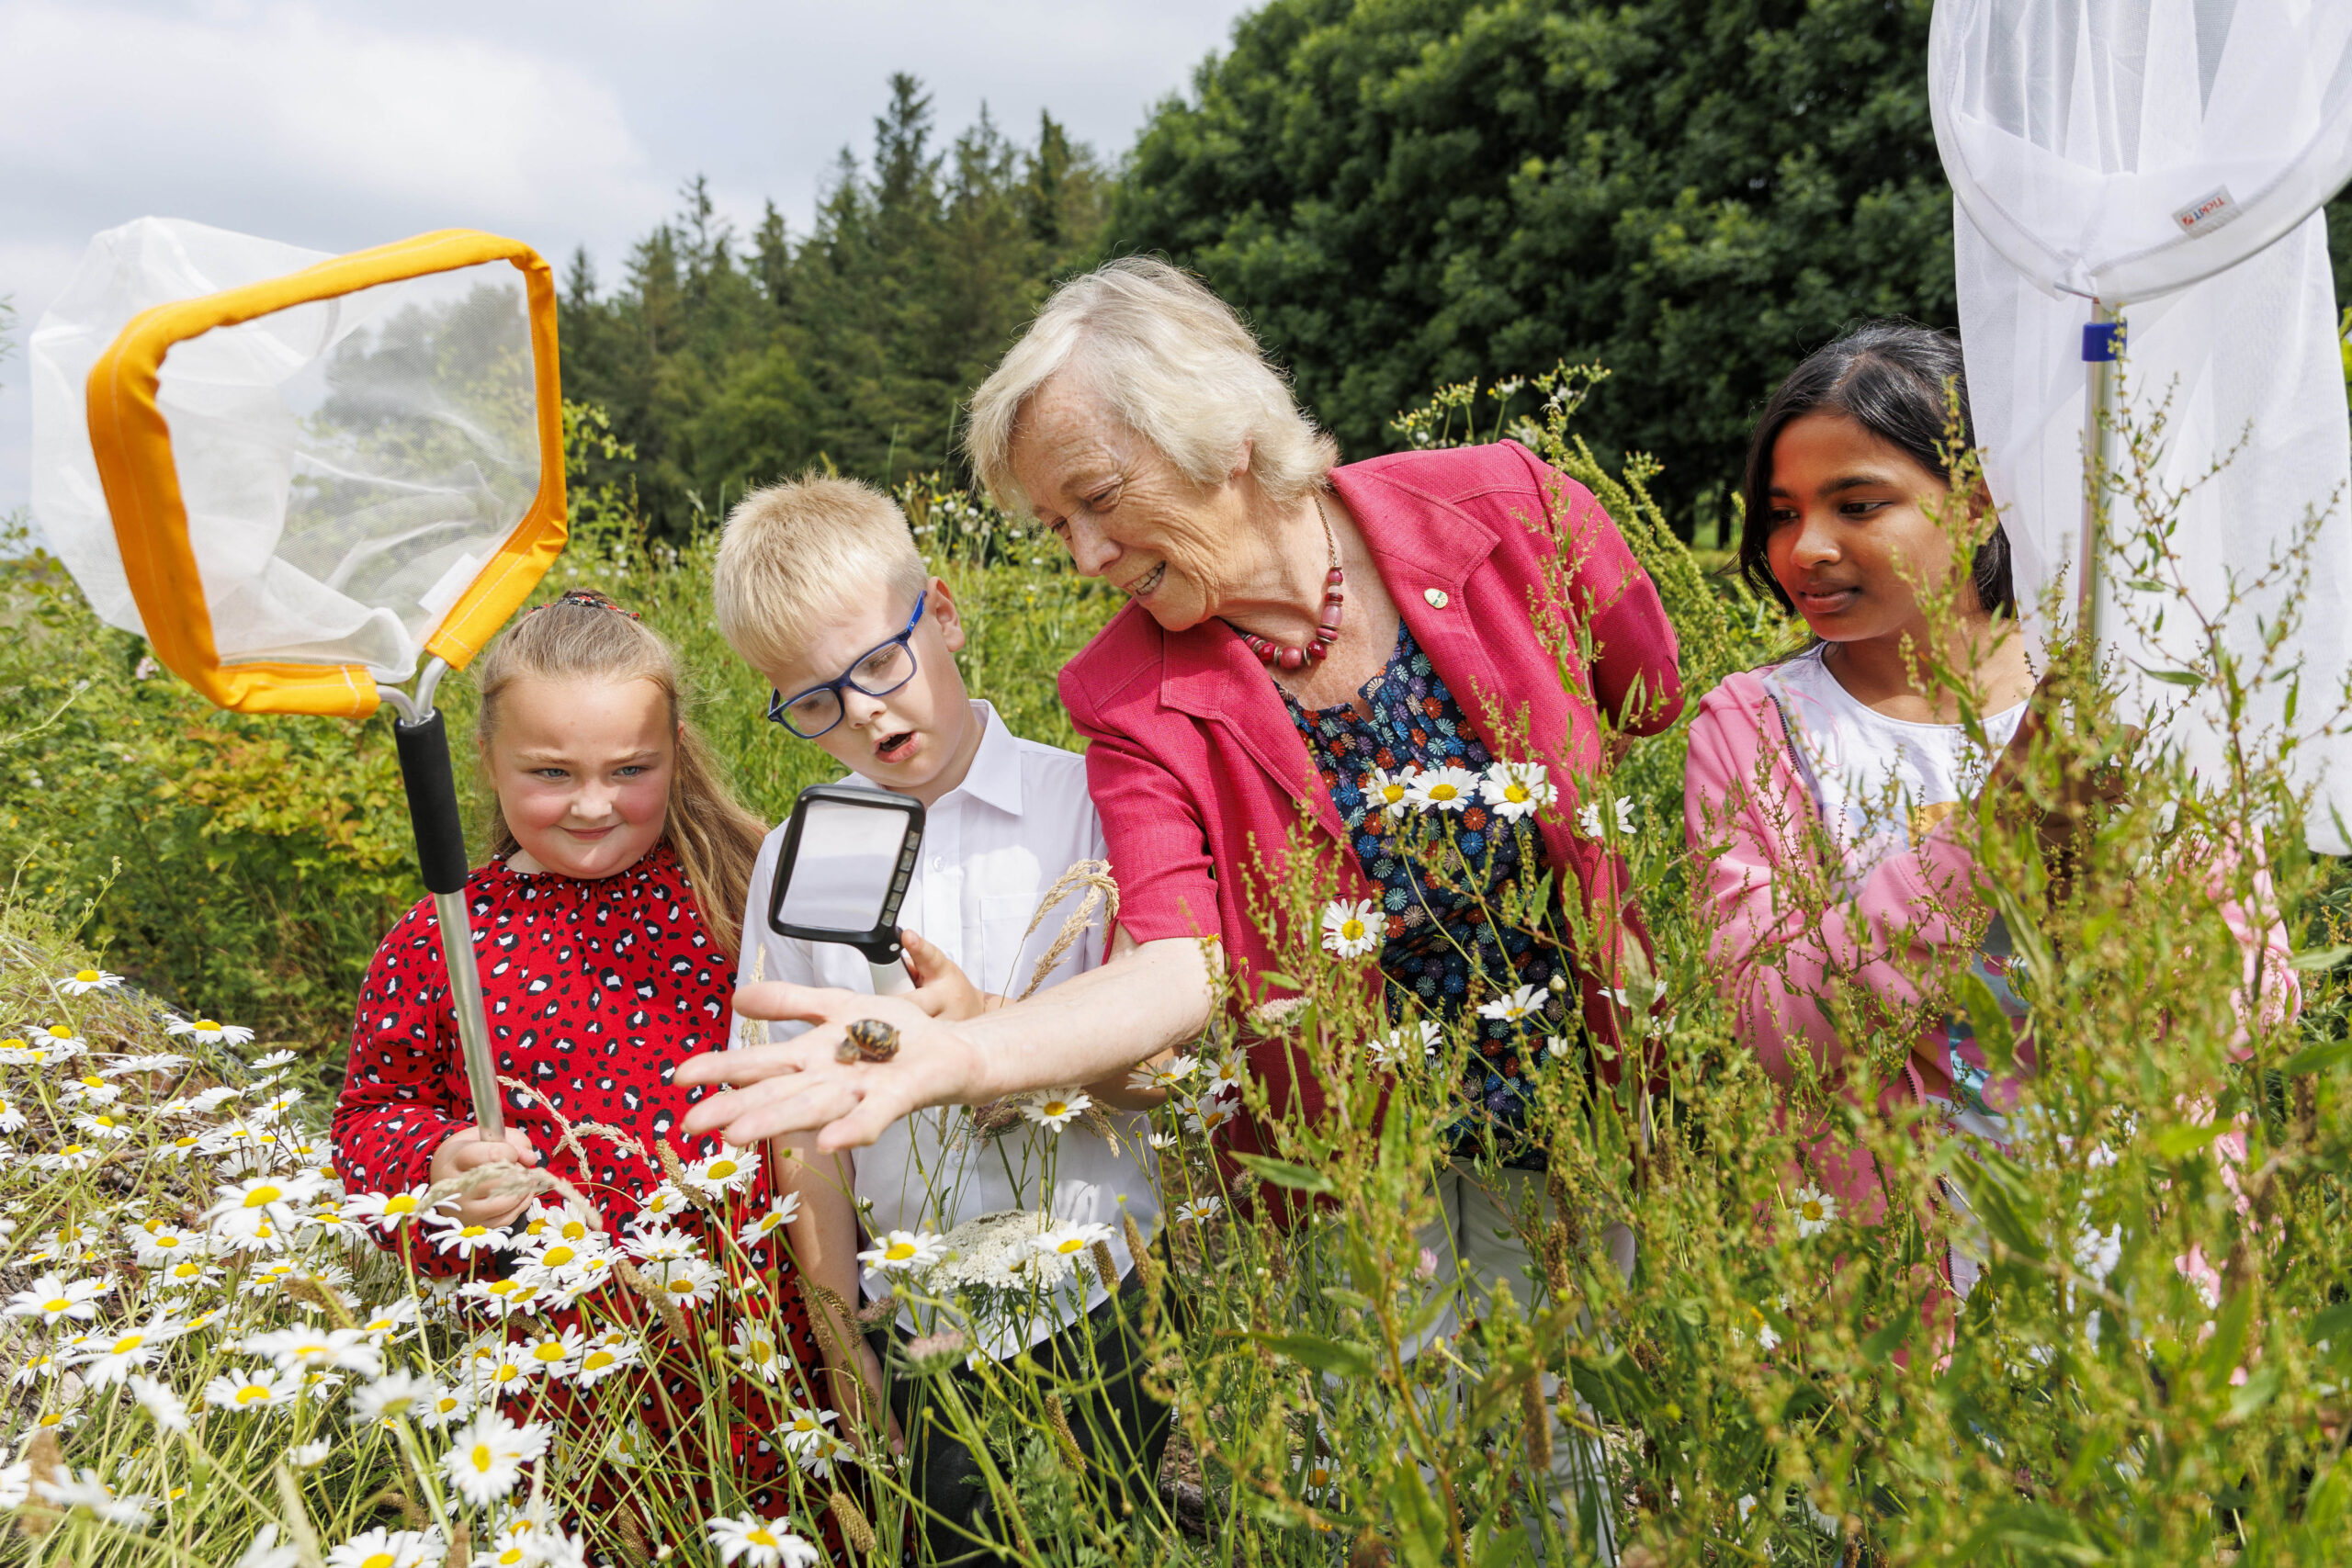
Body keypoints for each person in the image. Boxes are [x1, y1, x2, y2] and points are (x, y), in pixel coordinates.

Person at [674, 257, 1684, 1550]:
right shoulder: (1127, 693)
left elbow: (1654, 708)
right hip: (1359, 1162)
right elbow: (1182, 953)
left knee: (1574, 1480)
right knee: (1397, 1500)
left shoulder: (1505, 508)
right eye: (1057, 528)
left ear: (1218, 433)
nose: (1090, 556)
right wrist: (967, 1049)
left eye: (1098, 501)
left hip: (1579, 1102)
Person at [1680, 320, 2295, 1291]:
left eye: (1858, 504)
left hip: (2139, 1260)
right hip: (1891, 1287)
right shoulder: (1756, 727)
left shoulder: (2124, 699)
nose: (1807, 547)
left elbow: (2255, 994)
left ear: (1977, 502)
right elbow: (1769, 1018)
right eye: (1781, 513)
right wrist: (1987, 845)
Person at [709, 474, 1168, 1561]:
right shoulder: (793, 860)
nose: (863, 712)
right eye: (814, 700)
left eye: (878, 664)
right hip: (923, 1320)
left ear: (944, 613)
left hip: (1107, 1297)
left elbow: (1168, 1067)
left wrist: (995, 1037)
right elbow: (800, 1138)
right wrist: (841, 1350)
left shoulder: (1091, 803)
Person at [330, 589, 834, 1554]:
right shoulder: (441, 939)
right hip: (561, 1360)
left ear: (677, 751)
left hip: (763, 1337)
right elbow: (369, 1116)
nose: (594, 802)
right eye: (551, 772)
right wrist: (438, 1163)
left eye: (630, 769)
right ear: (487, 760)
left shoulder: (748, 892)